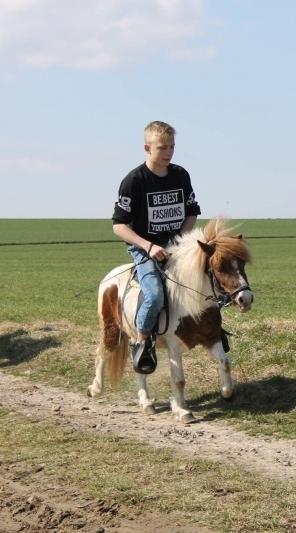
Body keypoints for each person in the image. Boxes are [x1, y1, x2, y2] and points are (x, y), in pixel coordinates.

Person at [112, 121, 201, 374]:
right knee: (154, 295)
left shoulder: (180, 175)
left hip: (176, 245)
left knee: (209, 279)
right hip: (144, 248)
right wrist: (148, 246)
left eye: (172, 147)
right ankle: (142, 343)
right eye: (162, 148)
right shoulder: (133, 181)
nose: (169, 153)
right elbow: (119, 226)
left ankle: (212, 333)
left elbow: (192, 213)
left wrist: (180, 241)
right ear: (147, 148)